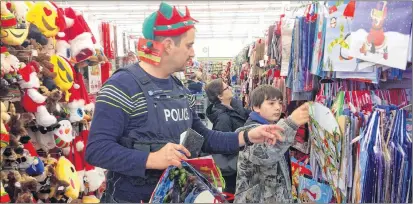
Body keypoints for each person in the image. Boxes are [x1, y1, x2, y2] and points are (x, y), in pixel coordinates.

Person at [85, 2, 285, 203]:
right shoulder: (122, 85)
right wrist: (152, 159)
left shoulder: (178, 88)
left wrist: (248, 136)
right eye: (189, 45)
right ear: (169, 45)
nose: (192, 53)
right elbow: (97, 149)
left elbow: (204, 137)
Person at [234, 85, 310, 203]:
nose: (278, 108)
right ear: (256, 107)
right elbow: (266, 154)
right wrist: (291, 123)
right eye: (271, 103)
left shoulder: (271, 126)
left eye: (280, 103)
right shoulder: (250, 132)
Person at [204, 78, 250, 195]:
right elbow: (224, 147)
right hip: (233, 169)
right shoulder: (223, 118)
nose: (230, 88)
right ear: (220, 96)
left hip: (240, 165)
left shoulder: (235, 108)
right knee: (233, 195)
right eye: (226, 87)